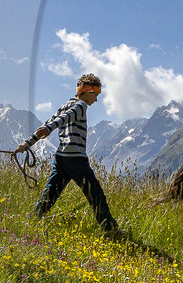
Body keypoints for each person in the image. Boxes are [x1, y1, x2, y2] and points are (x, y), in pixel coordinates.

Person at [18, 73, 119, 234]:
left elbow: (49, 122)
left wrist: (27, 143)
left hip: (61, 159)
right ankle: (110, 229)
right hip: (76, 159)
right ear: (88, 92)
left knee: (50, 194)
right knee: (95, 193)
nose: (96, 100)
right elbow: (64, 119)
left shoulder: (65, 104)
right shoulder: (81, 106)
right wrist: (49, 129)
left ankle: (31, 222)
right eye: (96, 95)